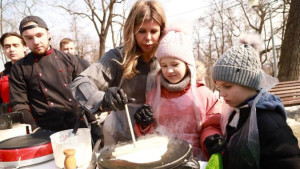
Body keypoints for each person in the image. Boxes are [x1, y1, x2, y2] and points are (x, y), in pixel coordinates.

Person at [70, 0, 166, 147]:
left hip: (164, 137)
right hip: (124, 140)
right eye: (141, 31)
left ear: (162, 30)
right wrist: (103, 100)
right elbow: (80, 82)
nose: (148, 38)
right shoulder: (117, 57)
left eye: (153, 31)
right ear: (132, 30)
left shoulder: (168, 56)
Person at [133, 20, 223, 161]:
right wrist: (144, 124)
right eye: (163, 65)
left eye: (175, 64)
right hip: (161, 160)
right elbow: (148, 136)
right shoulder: (154, 95)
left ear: (187, 64)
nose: (169, 70)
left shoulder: (204, 95)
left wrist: (211, 138)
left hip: (195, 160)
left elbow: (212, 124)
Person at [211, 34, 300, 169]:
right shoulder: (237, 112)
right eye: (219, 87)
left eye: (227, 86)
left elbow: (287, 161)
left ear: (250, 83)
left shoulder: (270, 123)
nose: (222, 94)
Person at [9, 16, 88, 134]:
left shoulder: (70, 59)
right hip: (45, 130)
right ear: (24, 41)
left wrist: (93, 122)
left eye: (39, 35)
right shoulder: (19, 68)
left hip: (77, 124)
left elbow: (85, 93)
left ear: (48, 34)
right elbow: (20, 105)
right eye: (29, 38)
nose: (35, 42)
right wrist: (35, 129)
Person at [0, 32, 26, 113]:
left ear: (24, 47)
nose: (11, 49)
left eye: (15, 45)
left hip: (40, 121)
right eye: (7, 46)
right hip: (13, 121)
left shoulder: (37, 69)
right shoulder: (2, 76)